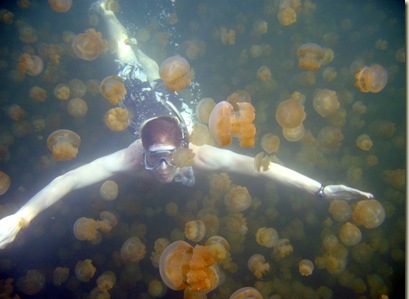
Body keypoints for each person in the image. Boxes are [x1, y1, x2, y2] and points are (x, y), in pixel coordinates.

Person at [0, 1, 373, 250]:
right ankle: (109, 13)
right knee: (126, 59)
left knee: (154, 72)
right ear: (140, 152)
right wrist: (22, 217)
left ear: (185, 149)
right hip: (140, 102)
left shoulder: (201, 152)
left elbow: (263, 169)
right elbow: (69, 179)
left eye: (170, 159)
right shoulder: (131, 157)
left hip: (174, 106)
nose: (162, 169)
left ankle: (136, 44)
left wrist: (321, 190)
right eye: (153, 160)